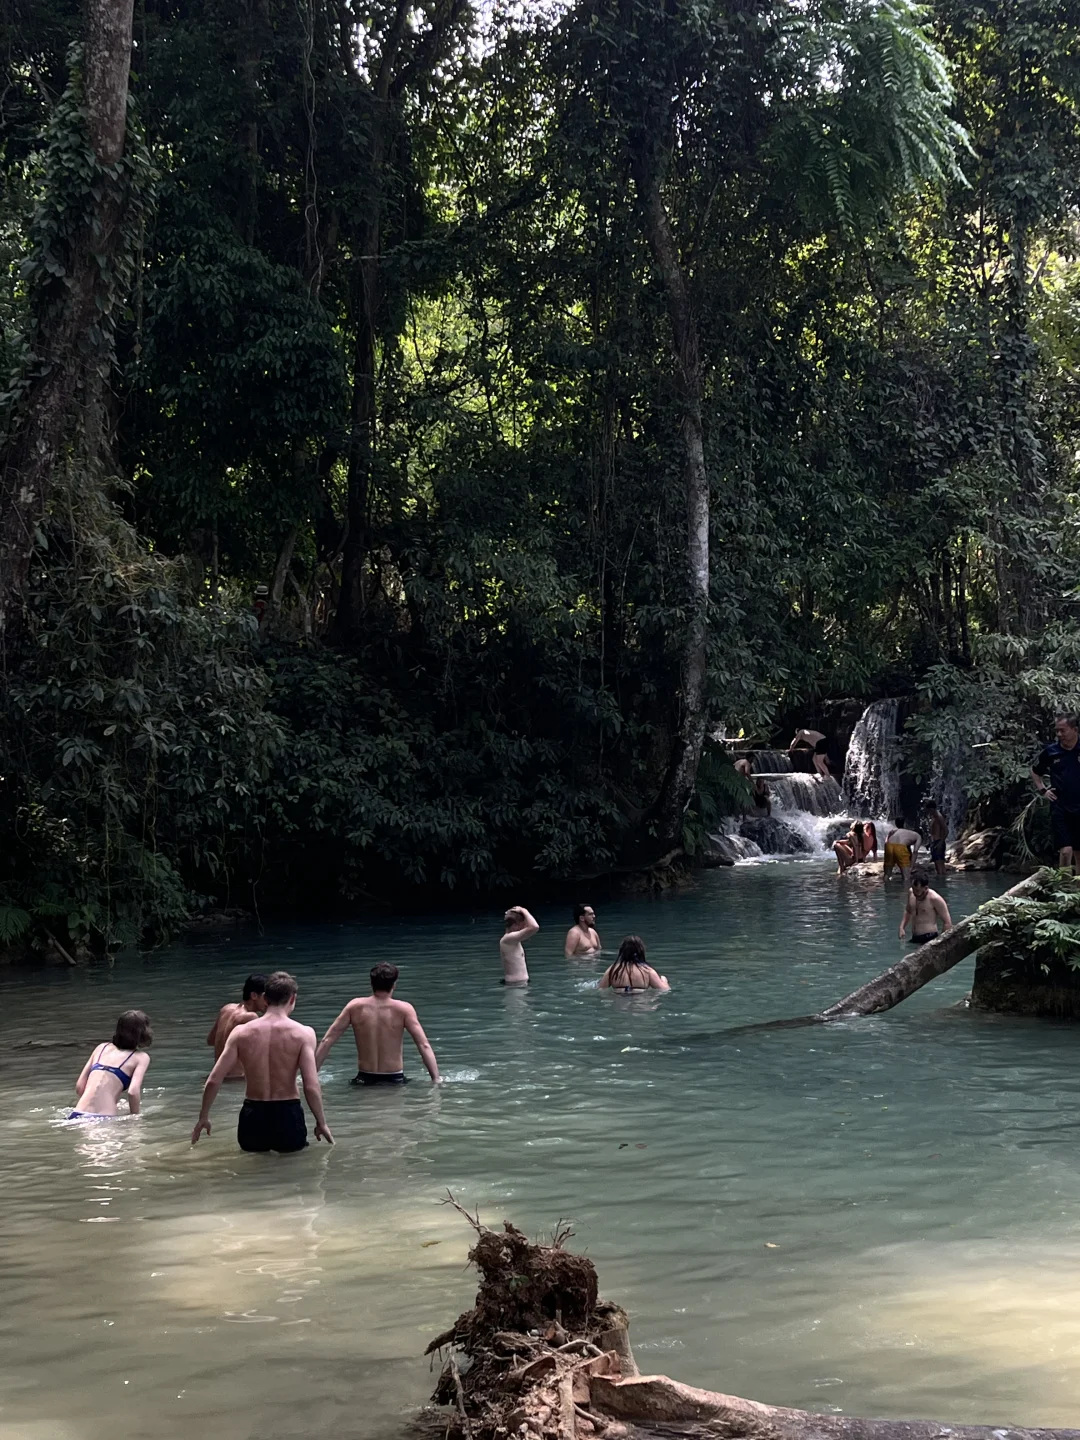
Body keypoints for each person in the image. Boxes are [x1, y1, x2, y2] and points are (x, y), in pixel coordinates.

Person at [191, 970, 333, 1152]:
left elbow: (213, 1080)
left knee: (254, 1171)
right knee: (291, 1171)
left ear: (265, 998)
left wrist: (203, 1117)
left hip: (253, 1112)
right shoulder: (303, 1033)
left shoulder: (240, 1032)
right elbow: (311, 1085)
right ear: (292, 999)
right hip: (287, 1112)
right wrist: (321, 1122)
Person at [315, 962, 441, 1084]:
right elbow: (423, 1045)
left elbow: (327, 1041)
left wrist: (311, 1075)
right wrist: (436, 1079)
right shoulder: (404, 1009)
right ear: (394, 984)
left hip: (364, 1078)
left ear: (371, 983)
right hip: (394, 1079)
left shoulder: (355, 1007)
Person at [69, 1011, 153, 1120]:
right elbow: (133, 1092)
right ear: (143, 1033)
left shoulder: (101, 1048)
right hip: (103, 1118)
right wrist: (135, 1118)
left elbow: (80, 1087)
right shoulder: (141, 1057)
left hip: (77, 1113)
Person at [1031, 714, 1080, 873]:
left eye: (1062, 731)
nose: (1059, 734)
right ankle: (1063, 889)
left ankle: (1076, 894)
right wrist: (1043, 790)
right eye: (1057, 731)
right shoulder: (1051, 751)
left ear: (1075, 730)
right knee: (1066, 851)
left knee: (1079, 854)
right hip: (1060, 806)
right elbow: (1035, 771)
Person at [206, 974, 268, 1079]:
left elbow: (210, 1040)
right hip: (236, 1080)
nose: (269, 1002)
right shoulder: (251, 1017)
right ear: (254, 996)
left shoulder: (227, 1009)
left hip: (218, 1077)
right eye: (266, 997)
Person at [899, 868, 953, 944]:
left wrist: (939, 943)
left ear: (925, 888)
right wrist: (902, 927)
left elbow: (948, 923)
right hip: (915, 937)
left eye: (917, 890)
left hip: (930, 938)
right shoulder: (911, 892)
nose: (915, 893)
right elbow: (908, 911)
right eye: (913, 889)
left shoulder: (935, 898)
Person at [599, 936, 670, 993]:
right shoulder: (647, 971)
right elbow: (664, 990)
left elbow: (601, 989)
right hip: (640, 1005)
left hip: (619, 1005)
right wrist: (664, 980)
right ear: (641, 951)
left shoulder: (613, 970)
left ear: (622, 951)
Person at [500, 905, 539, 985]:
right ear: (515, 926)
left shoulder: (512, 940)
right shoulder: (508, 939)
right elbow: (534, 927)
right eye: (523, 925)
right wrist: (524, 910)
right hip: (515, 984)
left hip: (519, 984)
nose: (525, 927)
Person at [883, 818, 922, 885]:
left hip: (888, 845)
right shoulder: (918, 836)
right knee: (906, 877)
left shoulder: (898, 831)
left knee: (887, 874)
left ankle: (886, 892)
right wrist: (911, 867)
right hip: (900, 847)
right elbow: (915, 852)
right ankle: (905, 893)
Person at [926, 803, 948, 878]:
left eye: (929, 810)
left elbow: (946, 830)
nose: (928, 812)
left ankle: (942, 883)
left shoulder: (939, 816)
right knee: (938, 865)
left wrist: (941, 842)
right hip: (934, 842)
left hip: (938, 842)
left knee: (939, 865)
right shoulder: (934, 816)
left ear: (932, 808)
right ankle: (942, 881)